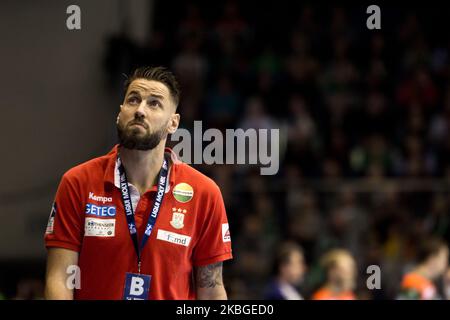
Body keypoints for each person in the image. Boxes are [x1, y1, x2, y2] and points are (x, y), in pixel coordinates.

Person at [44, 66, 233, 300]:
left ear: (173, 123)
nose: (140, 110)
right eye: (133, 100)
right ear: (120, 112)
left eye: (154, 103)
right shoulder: (78, 182)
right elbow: (59, 280)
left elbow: (212, 291)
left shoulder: (205, 193)